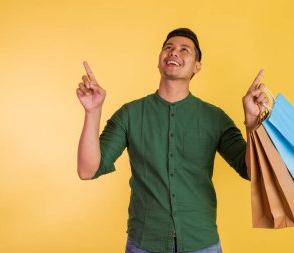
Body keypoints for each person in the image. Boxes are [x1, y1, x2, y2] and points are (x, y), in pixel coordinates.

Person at [76, 28, 268, 253]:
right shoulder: (130, 114)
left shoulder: (215, 118)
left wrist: (253, 123)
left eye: (184, 50)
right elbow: (88, 170)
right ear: (159, 61)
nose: (174, 52)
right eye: (168, 48)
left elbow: (253, 171)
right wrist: (93, 112)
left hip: (202, 243)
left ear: (197, 66)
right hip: (144, 243)